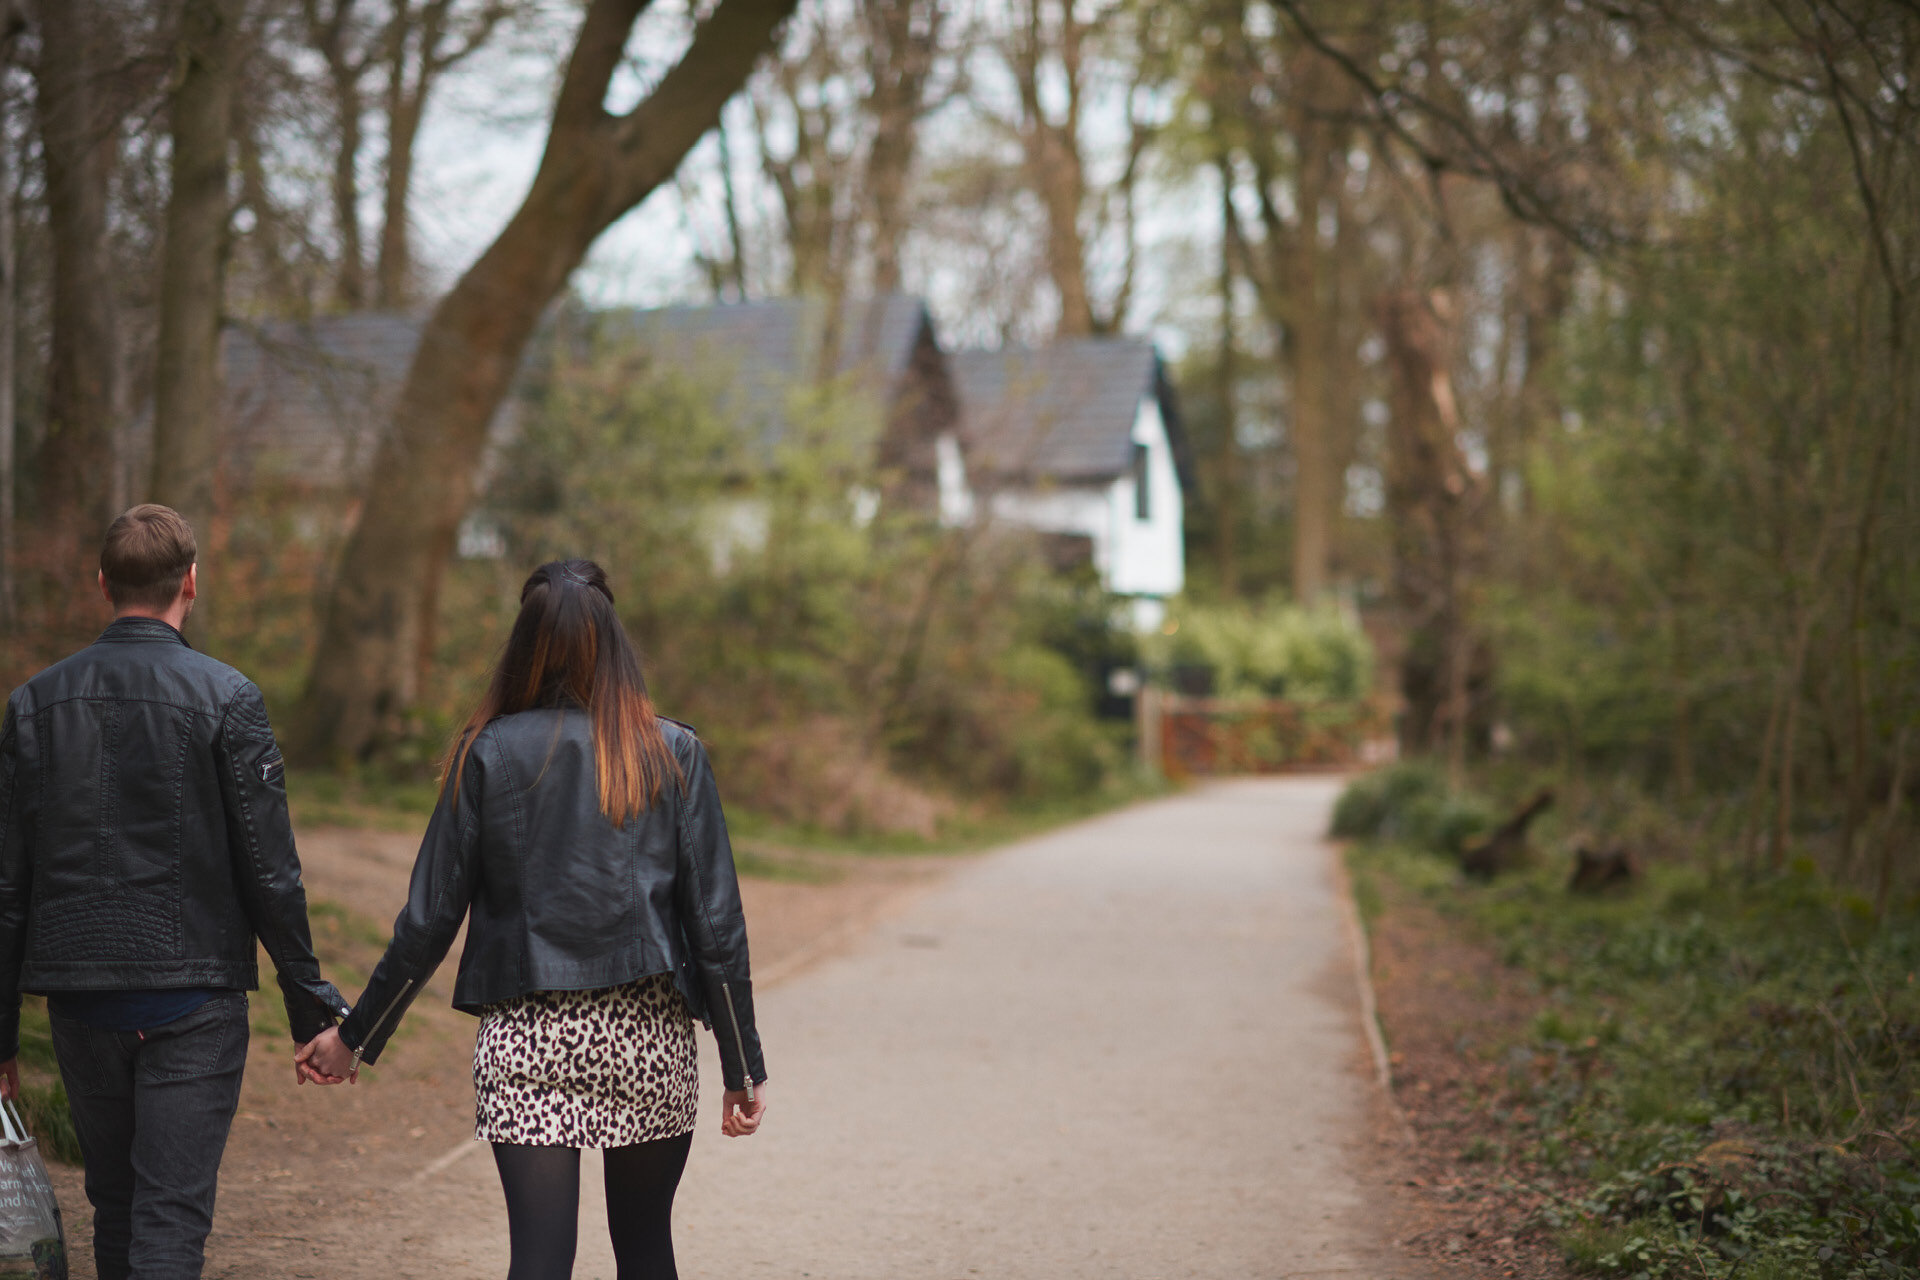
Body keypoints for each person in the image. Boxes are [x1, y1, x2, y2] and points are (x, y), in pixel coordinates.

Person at [301, 558, 768, 1280]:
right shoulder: (674, 752)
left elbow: (428, 920)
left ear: (522, 646)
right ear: (616, 645)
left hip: (529, 1041)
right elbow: (715, 921)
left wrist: (354, 1037)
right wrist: (743, 1065)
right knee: (647, 1251)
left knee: (539, 1261)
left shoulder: (485, 753)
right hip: (644, 1038)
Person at [0, 504, 349, 1280]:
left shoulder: (33, 705)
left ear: (103, 585)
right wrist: (311, 1009)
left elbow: (8, 884)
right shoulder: (229, 697)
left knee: (117, 1207)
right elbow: (271, 870)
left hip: (82, 998)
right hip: (194, 998)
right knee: (170, 1218)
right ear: (192, 581)